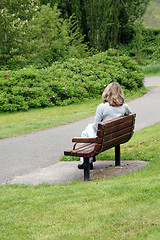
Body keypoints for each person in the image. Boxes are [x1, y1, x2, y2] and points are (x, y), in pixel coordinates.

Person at [78, 82, 131, 170]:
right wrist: (121, 100)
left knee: (86, 131)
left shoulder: (102, 107)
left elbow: (96, 127)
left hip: (103, 138)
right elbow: (129, 113)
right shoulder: (124, 107)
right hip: (116, 136)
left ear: (107, 93)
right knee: (87, 130)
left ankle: (87, 161)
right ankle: (88, 160)